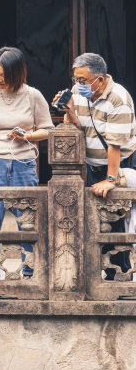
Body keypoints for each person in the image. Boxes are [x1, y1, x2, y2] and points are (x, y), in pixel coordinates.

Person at [53, 52, 136, 280]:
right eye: (75, 80)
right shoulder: (79, 93)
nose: (78, 85)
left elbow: (115, 145)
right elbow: (82, 129)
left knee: (117, 221)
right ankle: (104, 275)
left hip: (119, 164)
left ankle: (120, 276)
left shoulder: (118, 98)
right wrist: (69, 109)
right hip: (95, 166)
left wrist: (111, 180)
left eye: (83, 81)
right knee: (97, 223)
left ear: (100, 80)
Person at [0, 46, 53, 279]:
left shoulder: (33, 95)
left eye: (4, 75)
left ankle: (30, 270)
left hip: (24, 162)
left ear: (18, 73)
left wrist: (26, 136)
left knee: (27, 218)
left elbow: (48, 129)